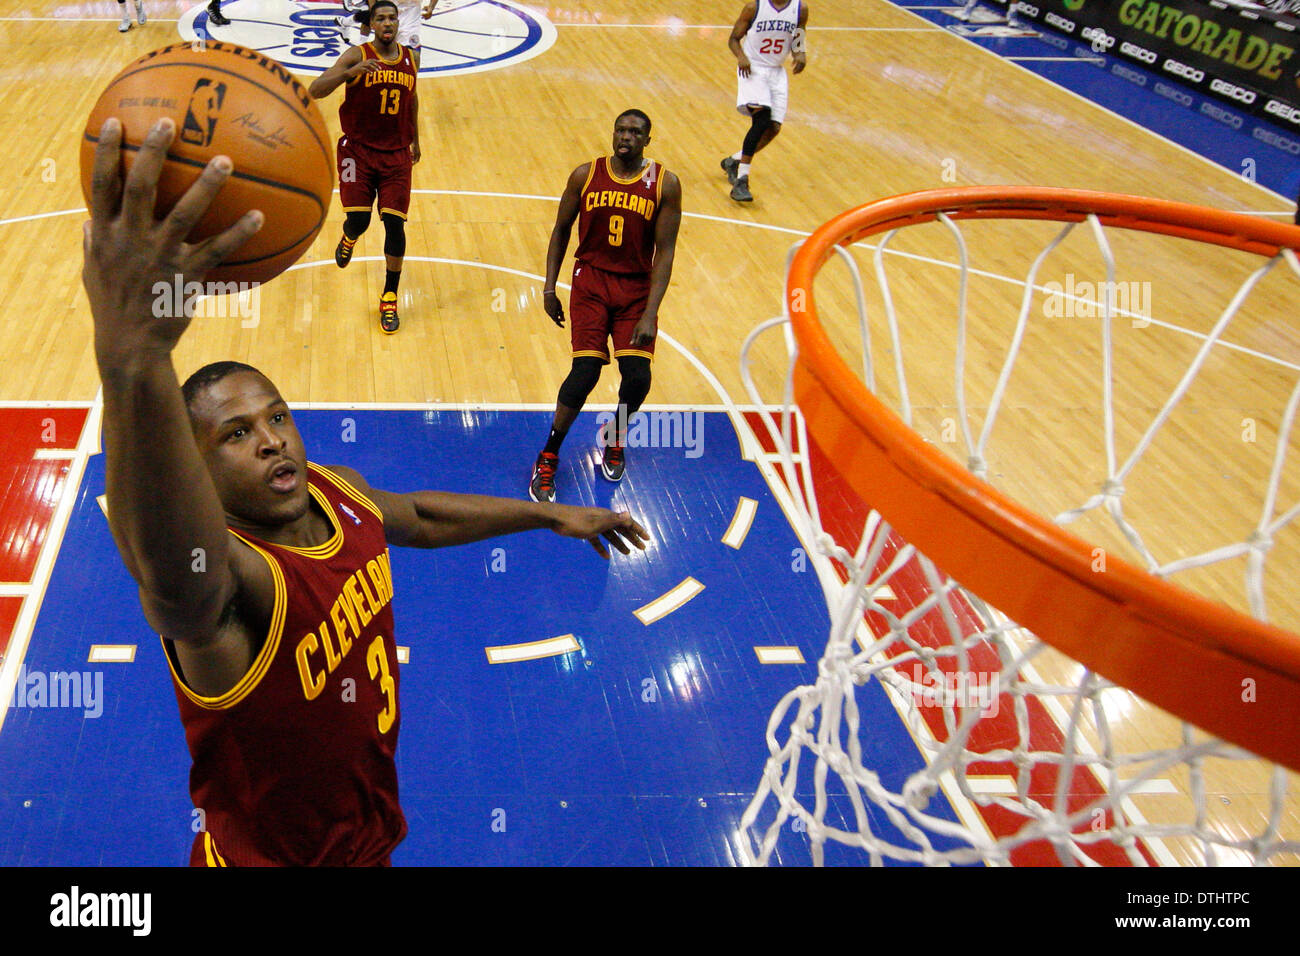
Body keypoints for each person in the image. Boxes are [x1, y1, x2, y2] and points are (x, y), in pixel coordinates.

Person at [82, 115, 649, 865]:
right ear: (197, 472)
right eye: (237, 435)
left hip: (367, 842)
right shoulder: (227, 586)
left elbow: (418, 516)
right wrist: (134, 360)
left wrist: (546, 515)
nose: (272, 438)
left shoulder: (331, 489)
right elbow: (165, 563)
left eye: (275, 416)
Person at [529, 110, 682, 503]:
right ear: (613, 133)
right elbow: (560, 230)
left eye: (636, 132)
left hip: (635, 289)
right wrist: (549, 289)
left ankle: (615, 437)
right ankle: (548, 455)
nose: (626, 136)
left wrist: (651, 312)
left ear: (648, 139)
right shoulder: (585, 175)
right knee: (585, 372)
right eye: (621, 129)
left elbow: (664, 253)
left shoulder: (665, 184)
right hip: (591, 282)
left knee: (638, 375)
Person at [310, 0, 421, 334]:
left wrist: (416, 137)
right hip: (355, 152)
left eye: (392, 18)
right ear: (371, 24)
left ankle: (389, 295)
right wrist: (348, 74)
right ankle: (348, 236)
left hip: (397, 156)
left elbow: (413, 97)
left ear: (398, 23)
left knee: (395, 225)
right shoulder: (356, 55)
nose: (387, 23)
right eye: (380, 18)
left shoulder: (410, 58)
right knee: (358, 219)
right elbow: (315, 90)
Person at [720, 0, 809, 203]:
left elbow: (799, 33)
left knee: (773, 128)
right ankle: (742, 180)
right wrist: (741, 56)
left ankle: (733, 161)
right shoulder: (754, 7)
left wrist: (799, 53)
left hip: (777, 72)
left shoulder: (800, 9)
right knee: (761, 119)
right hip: (752, 68)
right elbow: (733, 39)